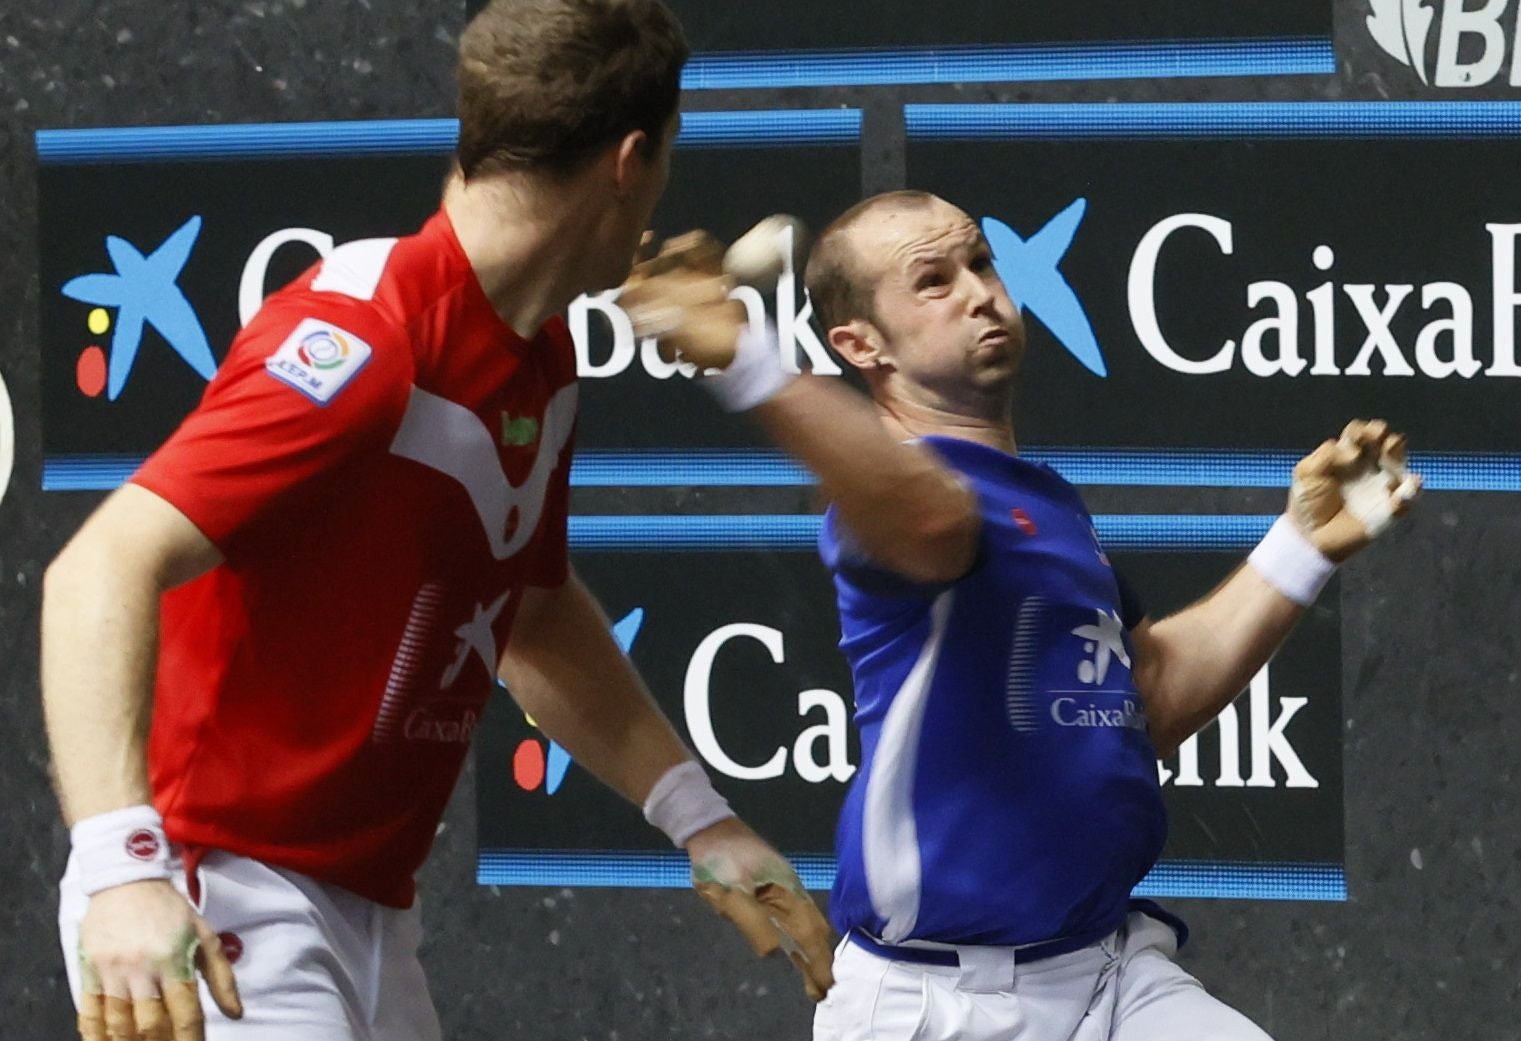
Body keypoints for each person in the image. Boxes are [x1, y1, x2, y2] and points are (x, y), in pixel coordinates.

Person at [42, 4, 832, 1040]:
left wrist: (702, 819)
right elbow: (98, 567)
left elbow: (531, 615)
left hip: (369, 909)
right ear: (630, 161)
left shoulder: (542, 359)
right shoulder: (362, 339)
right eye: (669, 159)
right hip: (210, 889)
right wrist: (119, 868)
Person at [619, 190, 1420, 1041]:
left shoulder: (1045, 501)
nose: (978, 292)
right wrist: (748, 364)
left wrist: (1299, 548)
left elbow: (1149, 692)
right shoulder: (892, 504)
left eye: (979, 263)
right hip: (938, 1004)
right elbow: (929, 517)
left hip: (1106, 969)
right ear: (859, 345)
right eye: (932, 281)